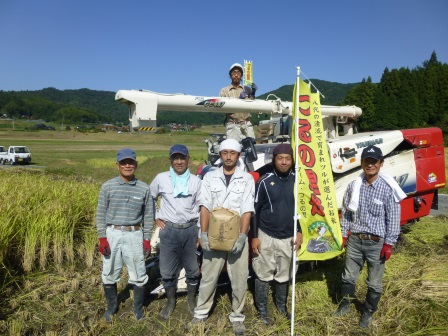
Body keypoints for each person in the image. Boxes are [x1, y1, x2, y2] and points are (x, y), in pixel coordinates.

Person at [189, 139, 255, 336]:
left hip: (236, 233)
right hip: (215, 235)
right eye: (224, 152)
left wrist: (243, 236)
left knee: (239, 277)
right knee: (209, 275)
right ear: (220, 155)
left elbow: (247, 209)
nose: (228, 156)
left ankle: (237, 316)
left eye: (232, 153)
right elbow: (205, 206)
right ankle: (200, 313)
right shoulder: (210, 177)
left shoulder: (246, 179)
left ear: (239, 155)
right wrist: (203, 233)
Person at [334, 145, 401, 328]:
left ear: (381, 163)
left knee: (374, 283)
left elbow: (393, 218)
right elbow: (347, 212)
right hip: (355, 240)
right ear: (362, 163)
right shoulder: (353, 186)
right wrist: (344, 234)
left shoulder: (388, 188)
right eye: (367, 161)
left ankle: (368, 313)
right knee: (348, 277)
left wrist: (389, 244)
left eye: (374, 162)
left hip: (376, 243)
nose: (370, 165)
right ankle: (345, 305)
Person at [96, 148, 153, 322]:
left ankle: (138, 310)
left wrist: (146, 239)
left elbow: (149, 216)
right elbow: (100, 213)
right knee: (110, 272)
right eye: (123, 163)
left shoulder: (144, 188)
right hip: (112, 233)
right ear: (117, 165)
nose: (127, 165)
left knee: (139, 273)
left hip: (134, 234)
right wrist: (102, 238)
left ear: (136, 164)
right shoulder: (108, 186)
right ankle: (112, 308)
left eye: (130, 162)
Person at [251, 143, 303, 324]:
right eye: (280, 158)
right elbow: (255, 210)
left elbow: (302, 209)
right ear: (274, 159)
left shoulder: (298, 180)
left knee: (284, 273)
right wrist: (255, 236)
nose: (284, 162)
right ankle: (262, 310)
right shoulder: (264, 181)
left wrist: (300, 231)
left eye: (287, 158)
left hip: (288, 236)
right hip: (266, 234)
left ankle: (281, 306)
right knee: (263, 273)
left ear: (292, 160)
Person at [149, 144, 202, 320]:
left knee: (193, 269)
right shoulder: (161, 178)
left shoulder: (196, 181)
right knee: (166, 270)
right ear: (170, 160)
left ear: (188, 159)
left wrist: (200, 232)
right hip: (169, 230)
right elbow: (150, 197)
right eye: (175, 158)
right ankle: (170, 301)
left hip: (190, 230)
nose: (179, 161)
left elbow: (203, 208)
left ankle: (191, 300)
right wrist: (156, 216)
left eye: (182, 158)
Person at [220, 63, 256, 142]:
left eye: (239, 73)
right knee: (233, 149)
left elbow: (252, 105)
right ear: (230, 75)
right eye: (234, 72)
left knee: (251, 149)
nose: (236, 75)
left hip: (246, 124)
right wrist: (239, 100)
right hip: (233, 124)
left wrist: (253, 92)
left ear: (242, 75)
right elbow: (223, 109)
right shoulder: (224, 91)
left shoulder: (246, 89)